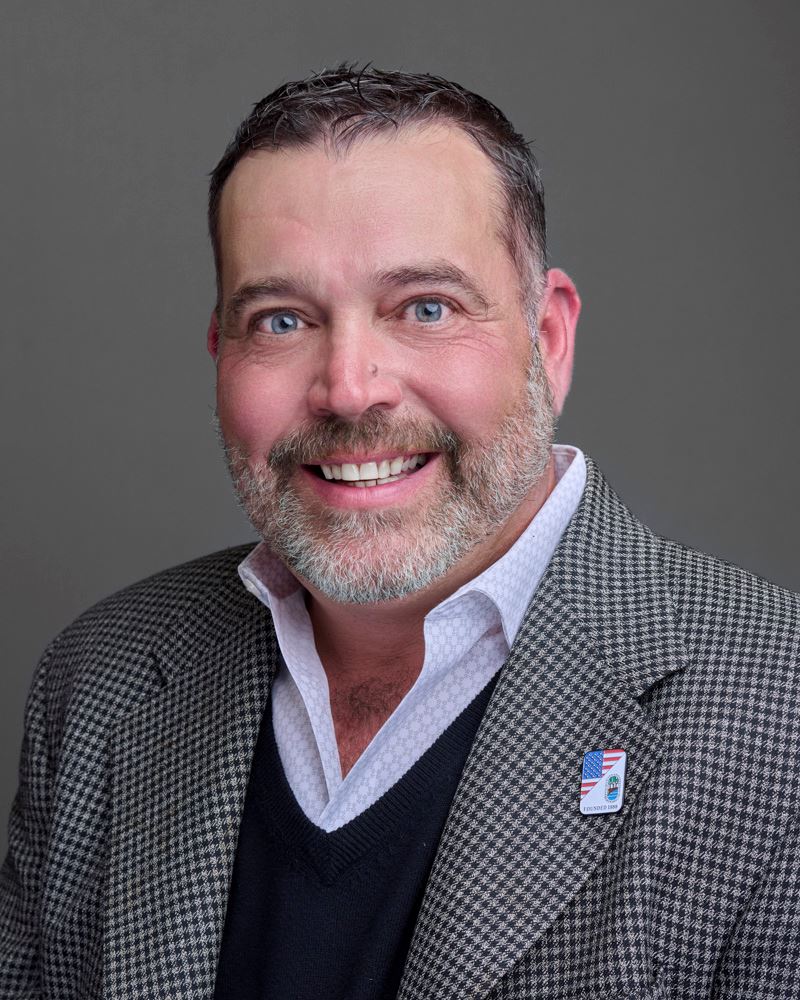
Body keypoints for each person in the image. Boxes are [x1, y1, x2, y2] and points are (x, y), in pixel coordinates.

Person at [1, 65, 798, 1000]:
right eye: (282, 319)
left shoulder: (775, 713)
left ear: (549, 337)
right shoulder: (96, 681)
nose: (349, 388)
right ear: (222, 354)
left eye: (426, 308)